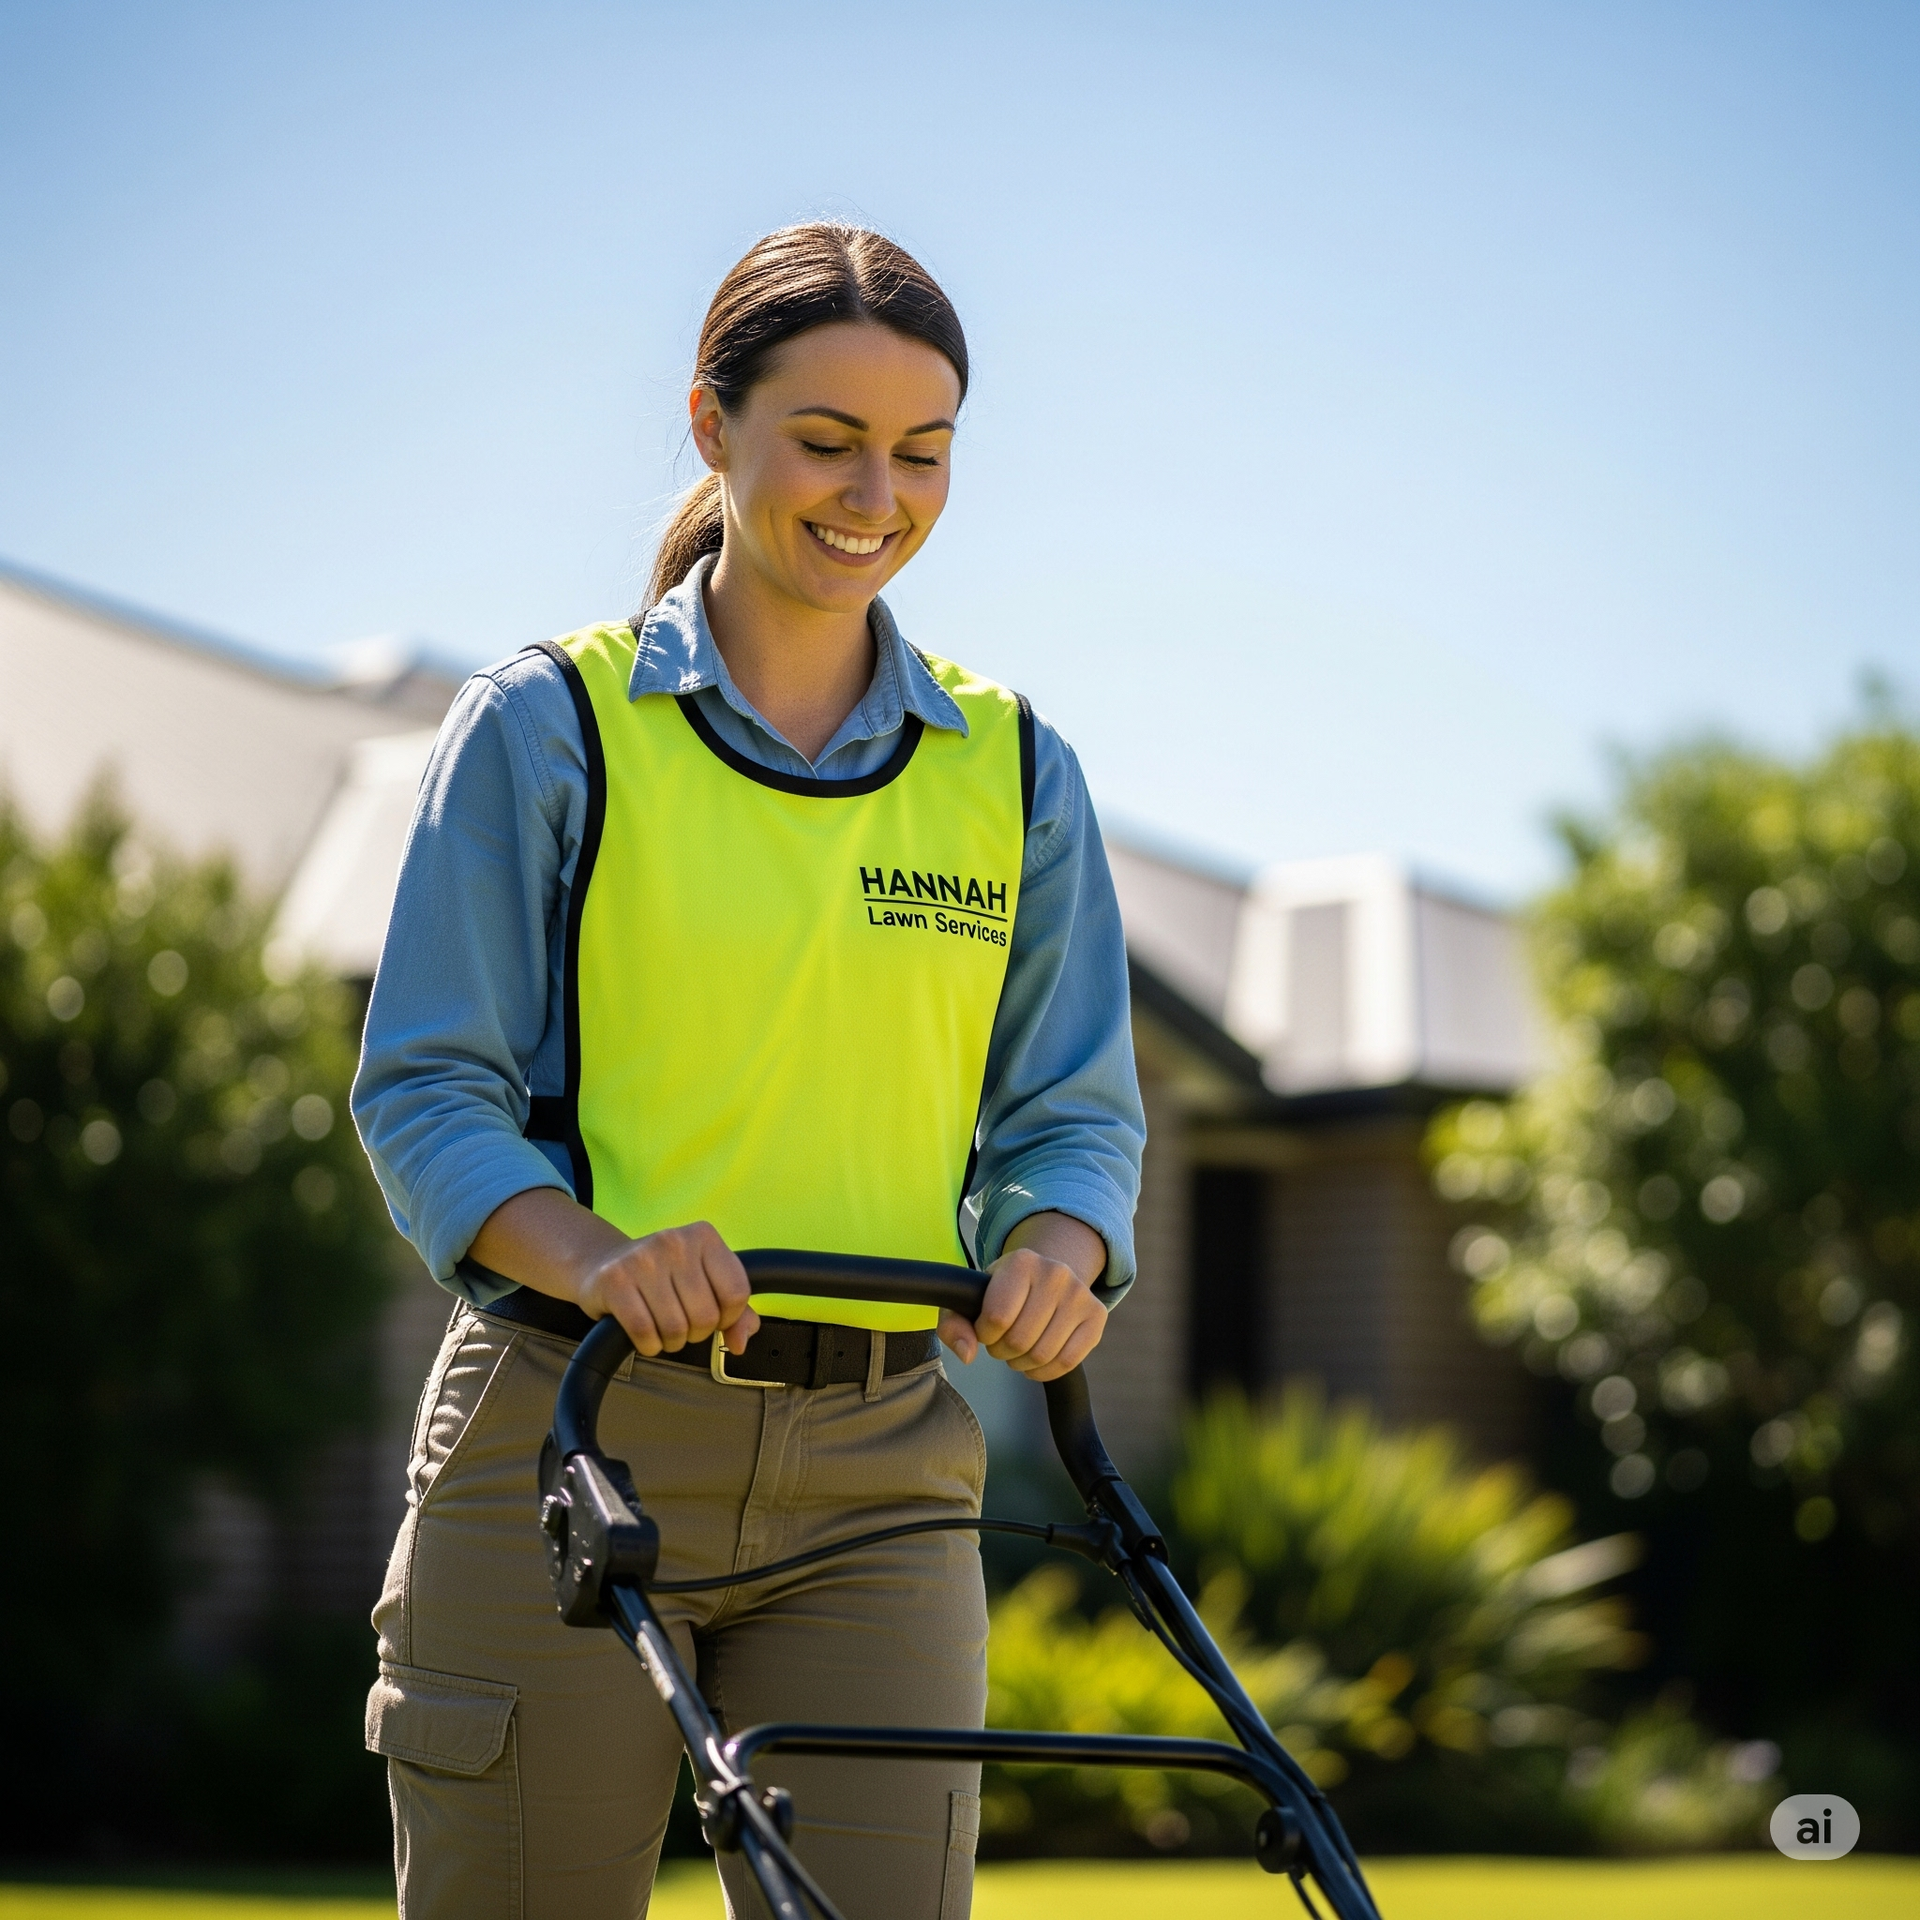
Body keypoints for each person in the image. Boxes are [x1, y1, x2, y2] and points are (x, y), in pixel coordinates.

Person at [351, 222, 1146, 1920]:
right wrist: (604, 1259)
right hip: (566, 1436)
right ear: (712, 429)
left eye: (923, 451)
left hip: (887, 1470)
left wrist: (1058, 1253)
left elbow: (1069, 1117)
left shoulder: (1013, 771)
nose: (879, 493)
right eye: (829, 440)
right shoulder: (547, 729)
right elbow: (426, 1090)